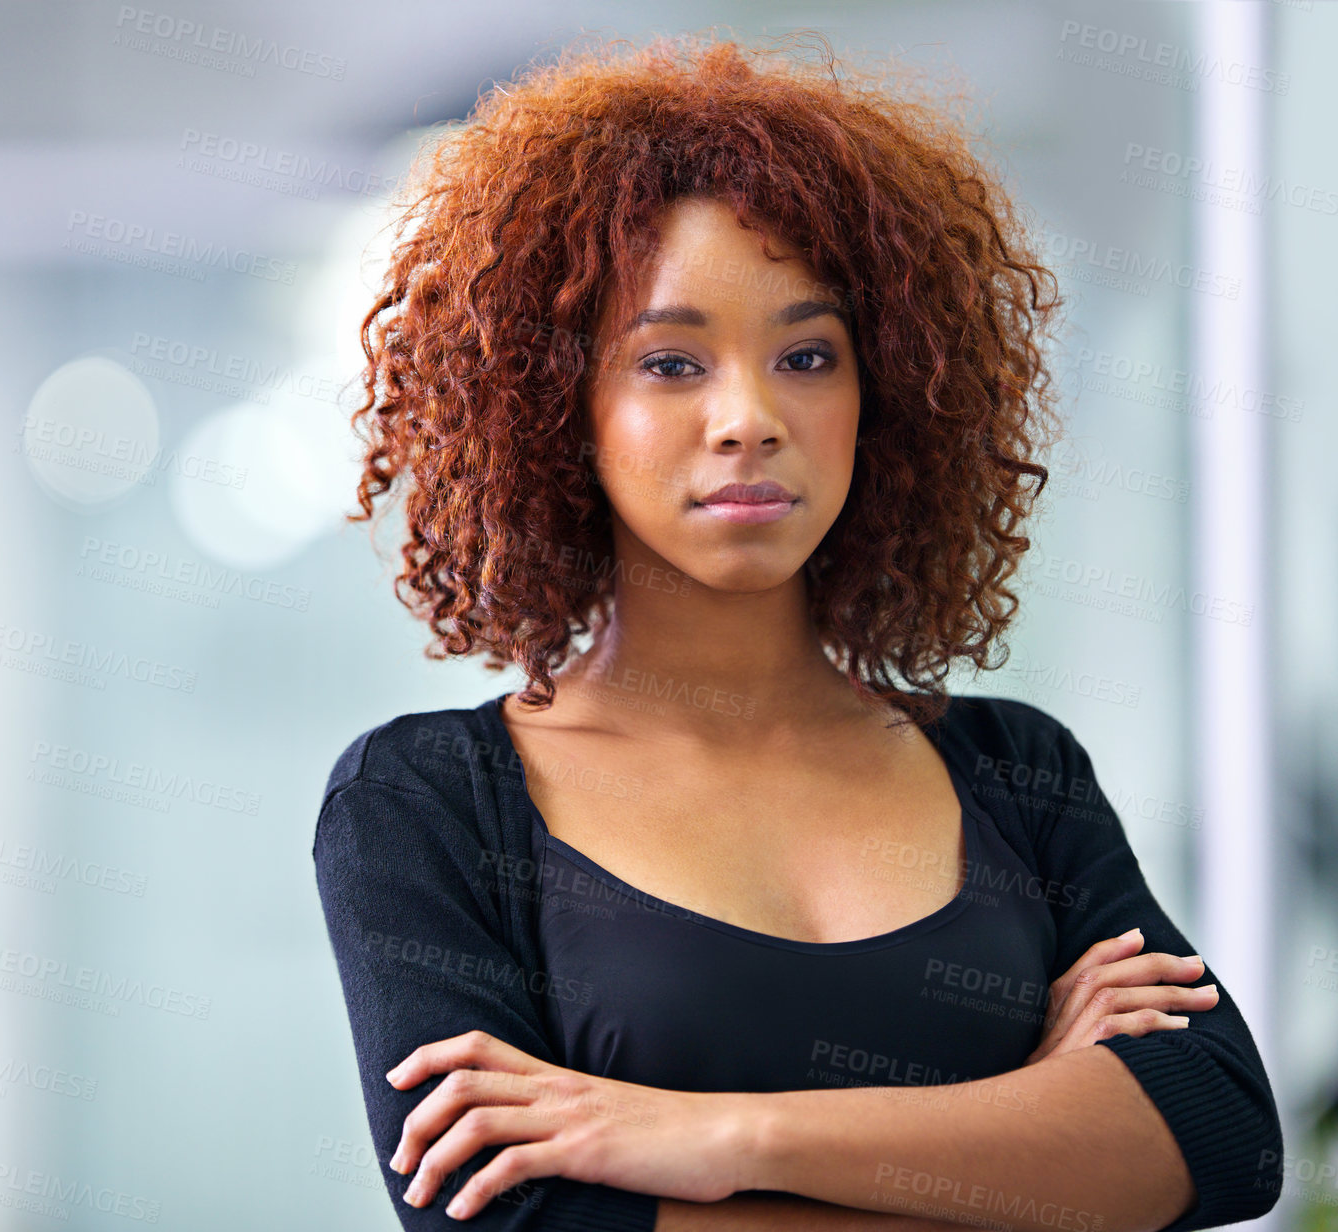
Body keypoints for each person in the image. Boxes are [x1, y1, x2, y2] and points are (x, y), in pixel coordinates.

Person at [312, 31, 1281, 1232]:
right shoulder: (430, 802)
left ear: (887, 395)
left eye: (807, 355)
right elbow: (505, 1216)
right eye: (671, 362)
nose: (750, 418)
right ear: (557, 405)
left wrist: (716, 1135)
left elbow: (1224, 1136)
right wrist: (1036, 1132)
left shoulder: (1017, 772)